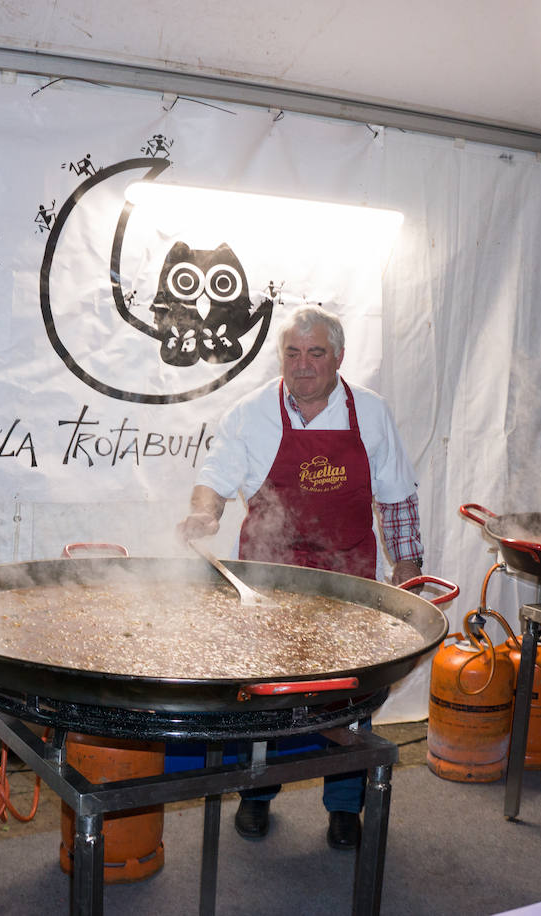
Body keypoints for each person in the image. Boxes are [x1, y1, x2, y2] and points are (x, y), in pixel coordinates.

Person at [177, 304, 423, 851]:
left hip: (348, 583)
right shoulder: (251, 412)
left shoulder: (372, 413)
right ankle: (255, 795)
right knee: (265, 694)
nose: (303, 365)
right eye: (293, 353)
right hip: (268, 583)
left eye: (316, 353)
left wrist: (407, 575)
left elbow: (397, 497)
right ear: (281, 357)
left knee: (347, 699)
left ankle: (342, 807)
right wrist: (205, 513)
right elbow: (214, 478)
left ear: (338, 357)